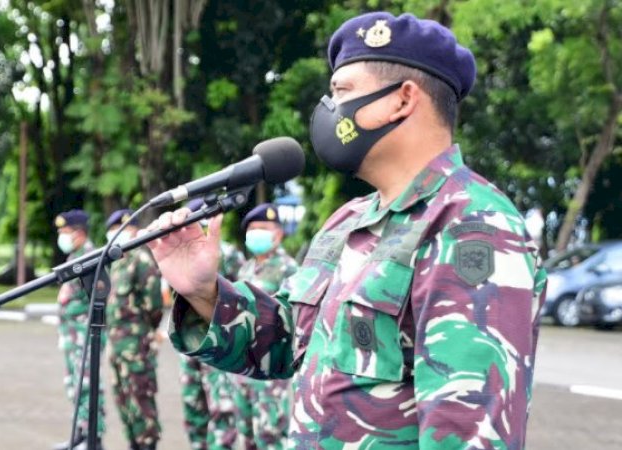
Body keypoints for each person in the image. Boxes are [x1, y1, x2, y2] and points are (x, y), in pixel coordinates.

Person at [146, 11, 548, 449]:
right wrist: (205, 292)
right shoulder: (349, 222)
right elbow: (285, 342)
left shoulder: (471, 225)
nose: (330, 109)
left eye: (343, 91)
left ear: (402, 99)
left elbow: (470, 432)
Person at [232, 204, 298, 450]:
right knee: (246, 433)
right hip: (242, 365)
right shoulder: (246, 268)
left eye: (263, 228)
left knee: (270, 434)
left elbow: (298, 316)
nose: (256, 233)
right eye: (252, 229)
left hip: (271, 367)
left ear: (278, 234)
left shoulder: (288, 269)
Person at [179, 198, 243, 450]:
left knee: (221, 410)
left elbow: (242, 295)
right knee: (193, 408)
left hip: (219, 342)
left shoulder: (228, 255)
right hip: (189, 344)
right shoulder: (180, 257)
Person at [105, 209, 163, 450]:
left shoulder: (142, 260)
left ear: (134, 231)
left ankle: (147, 445)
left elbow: (154, 306)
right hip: (117, 346)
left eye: (122, 230)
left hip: (136, 345)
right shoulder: (117, 263)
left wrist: (145, 333)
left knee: (141, 401)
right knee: (124, 402)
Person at [53, 209, 104, 450]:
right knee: (75, 384)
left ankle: (94, 437)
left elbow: (97, 296)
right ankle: (80, 433)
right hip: (72, 334)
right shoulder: (75, 256)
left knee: (88, 385)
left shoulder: (91, 257)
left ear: (78, 233)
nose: (61, 237)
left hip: (85, 333)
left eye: (64, 233)